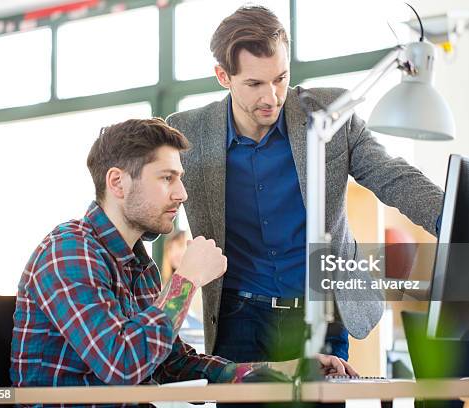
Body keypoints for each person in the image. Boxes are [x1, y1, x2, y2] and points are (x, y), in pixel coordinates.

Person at [166, 5, 444, 367]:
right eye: (254, 84)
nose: (272, 97)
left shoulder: (330, 113)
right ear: (223, 76)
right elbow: (151, 205)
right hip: (239, 317)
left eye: (280, 78)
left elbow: (393, 176)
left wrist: (459, 220)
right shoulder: (189, 133)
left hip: (322, 314)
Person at [10, 119, 354, 400]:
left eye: (180, 178)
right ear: (117, 182)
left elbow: (173, 363)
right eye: (167, 178)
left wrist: (286, 368)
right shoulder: (69, 253)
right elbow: (122, 365)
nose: (182, 194)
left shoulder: (137, 265)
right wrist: (186, 279)